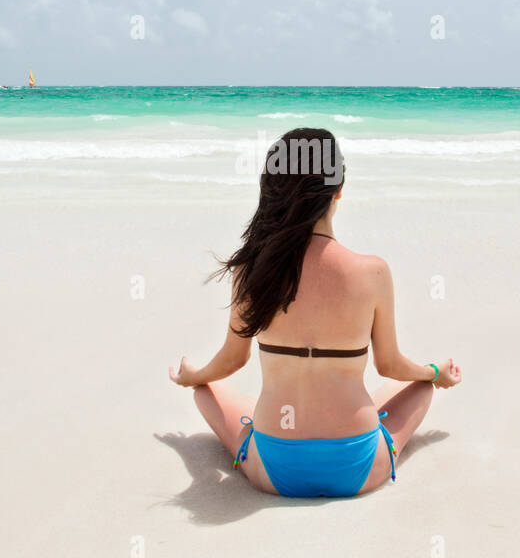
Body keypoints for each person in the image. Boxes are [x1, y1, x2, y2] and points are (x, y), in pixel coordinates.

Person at [169, 127, 461, 497]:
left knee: (206, 391)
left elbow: (231, 360)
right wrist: (435, 372)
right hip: (356, 466)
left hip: (275, 469)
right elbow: (390, 366)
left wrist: (194, 376)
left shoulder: (251, 270)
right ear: (339, 189)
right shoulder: (372, 272)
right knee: (417, 385)